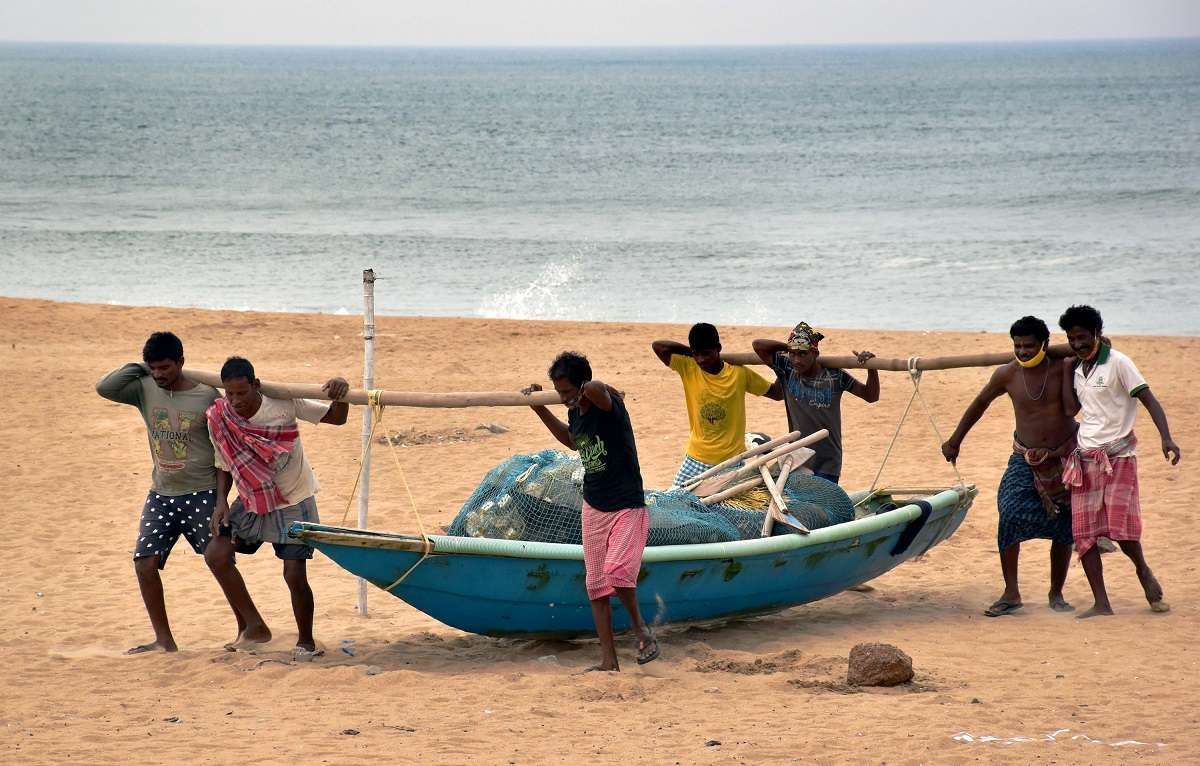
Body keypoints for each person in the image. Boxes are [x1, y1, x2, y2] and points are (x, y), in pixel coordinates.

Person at [96, 331, 233, 653]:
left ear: (181, 363)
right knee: (144, 562)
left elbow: (222, 453)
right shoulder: (143, 388)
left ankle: (252, 627)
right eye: (153, 368)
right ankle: (163, 641)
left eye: (165, 368)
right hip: (161, 492)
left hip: (201, 491)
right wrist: (140, 368)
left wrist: (221, 500)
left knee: (220, 560)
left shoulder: (207, 396)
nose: (159, 375)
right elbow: (106, 387)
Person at [205, 356, 349, 656]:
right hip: (252, 497)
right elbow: (223, 462)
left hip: (294, 497)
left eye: (242, 393)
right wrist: (220, 501)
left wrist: (341, 392)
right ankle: (253, 627)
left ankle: (306, 642)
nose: (236, 401)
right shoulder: (221, 416)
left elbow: (336, 417)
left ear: (255, 385)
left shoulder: (282, 402)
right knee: (217, 554)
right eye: (229, 394)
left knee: (294, 574)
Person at [523, 352, 658, 671]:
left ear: (582, 386)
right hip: (594, 505)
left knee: (618, 572)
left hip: (627, 503)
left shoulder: (608, 406)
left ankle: (641, 629)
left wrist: (589, 389)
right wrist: (539, 407)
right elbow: (572, 442)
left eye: (568, 392)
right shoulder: (576, 414)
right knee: (597, 585)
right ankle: (608, 662)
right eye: (559, 393)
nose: (564, 399)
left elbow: (598, 388)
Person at [941, 316, 1076, 617]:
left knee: (1065, 523)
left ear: (1045, 344)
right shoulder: (1007, 374)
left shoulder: (1063, 366)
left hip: (1064, 457)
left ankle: (1057, 593)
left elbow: (1096, 352)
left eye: (1030, 346)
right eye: (1018, 346)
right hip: (1024, 457)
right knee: (1010, 512)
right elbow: (979, 403)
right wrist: (955, 440)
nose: (1024, 351)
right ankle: (1011, 592)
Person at [1059, 305, 1179, 618]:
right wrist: (1065, 367)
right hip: (1085, 457)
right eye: (1072, 339)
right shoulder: (1076, 369)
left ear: (1097, 333)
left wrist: (1166, 438)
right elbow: (1071, 409)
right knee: (1084, 534)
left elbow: (1149, 399)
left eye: (1082, 337)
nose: (1077, 344)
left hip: (1119, 455)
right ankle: (1102, 603)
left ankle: (1143, 570)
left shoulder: (1119, 363)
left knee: (1121, 528)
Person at [653, 323, 781, 488]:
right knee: (674, 501)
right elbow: (659, 346)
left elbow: (777, 394)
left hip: (730, 461)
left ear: (718, 348)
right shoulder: (688, 367)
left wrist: (781, 367)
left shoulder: (739, 374)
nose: (701, 360)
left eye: (706, 354)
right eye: (696, 354)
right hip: (696, 457)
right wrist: (692, 352)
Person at [752, 322, 879, 484]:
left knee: (823, 504)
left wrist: (872, 368)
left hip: (828, 461)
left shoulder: (835, 376)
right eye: (793, 354)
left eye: (803, 354)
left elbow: (871, 396)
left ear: (815, 353)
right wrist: (790, 346)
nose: (797, 360)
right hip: (798, 457)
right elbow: (758, 345)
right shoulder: (787, 369)